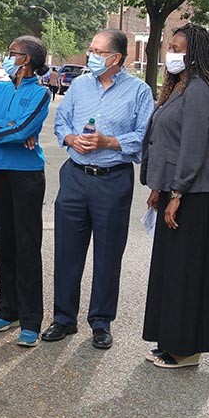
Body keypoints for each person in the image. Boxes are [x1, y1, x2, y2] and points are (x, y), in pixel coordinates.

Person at [42, 29, 154, 350]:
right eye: (90, 48)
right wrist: (70, 139)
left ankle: (101, 322)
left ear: (115, 58)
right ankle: (63, 318)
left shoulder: (139, 92)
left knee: (108, 254)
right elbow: (61, 122)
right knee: (67, 251)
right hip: (75, 177)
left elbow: (145, 139)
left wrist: (109, 141)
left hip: (113, 180)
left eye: (96, 50)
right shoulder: (78, 86)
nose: (90, 54)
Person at [141, 23, 209, 369]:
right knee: (171, 273)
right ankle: (170, 341)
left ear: (195, 54)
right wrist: (158, 188)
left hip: (192, 196)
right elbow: (165, 143)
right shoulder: (178, 87)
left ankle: (186, 349)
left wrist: (176, 193)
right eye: (169, 46)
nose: (171, 53)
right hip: (173, 190)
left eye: (178, 48)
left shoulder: (200, 91)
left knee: (187, 275)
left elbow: (191, 149)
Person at [0, 36, 51, 347]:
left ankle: (31, 320)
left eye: (12, 54)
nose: (7, 58)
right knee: (4, 242)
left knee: (27, 246)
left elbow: (23, 130)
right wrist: (7, 127)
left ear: (27, 60)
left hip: (28, 175)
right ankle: (9, 309)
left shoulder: (41, 94)